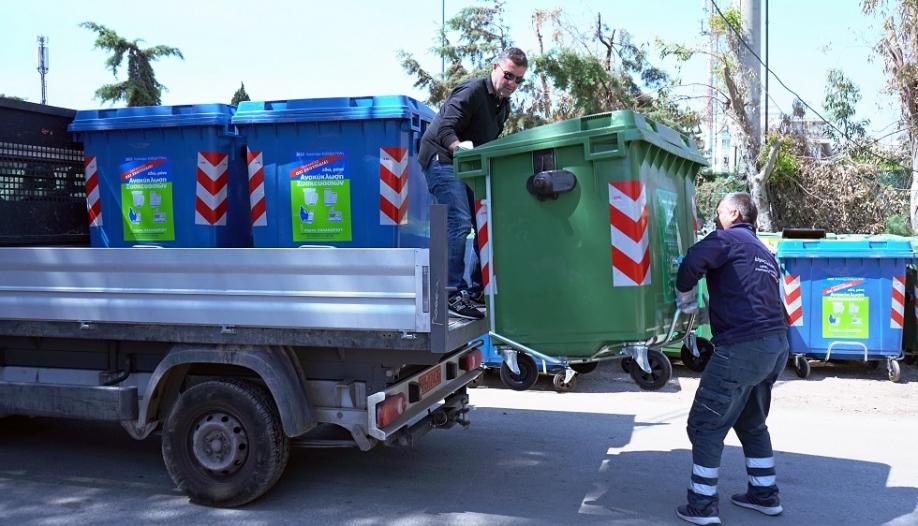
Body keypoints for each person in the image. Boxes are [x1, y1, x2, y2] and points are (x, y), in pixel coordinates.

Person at [674, 192, 789, 525]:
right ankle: (764, 494)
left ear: (736, 214)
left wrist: (685, 296)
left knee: (705, 424)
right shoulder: (764, 251)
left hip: (743, 348)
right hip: (776, 346)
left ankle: (702, 504)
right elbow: (751, 295)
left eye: (720, 210)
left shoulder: (726, 240)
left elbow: (693, 260)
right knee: (752, 423)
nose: (715, 216)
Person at [418, 47, 528, 320]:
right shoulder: (471, 91)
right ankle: (450, 294)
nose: (512, 83)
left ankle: (479, 292)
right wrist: (460, 150)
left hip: (467, 167)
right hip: (442, 158)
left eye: (519, 80)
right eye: (508, 76)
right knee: (458, 221)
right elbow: (443, 129)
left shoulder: (503, 105)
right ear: (494, 68)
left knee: (486, 221)